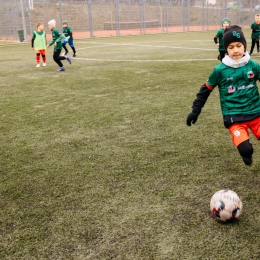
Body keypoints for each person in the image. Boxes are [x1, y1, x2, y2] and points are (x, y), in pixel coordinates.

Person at [187, 25, 260, 166]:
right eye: (231, 47)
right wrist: (195, 111)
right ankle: (245, 150)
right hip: (234, 117)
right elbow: (205, 91)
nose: (236, 50)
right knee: (246, 150)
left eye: (239, 46)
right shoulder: (219, 70)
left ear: (244, 46)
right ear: (226, 49)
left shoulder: (253, 65)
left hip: (256, 113)